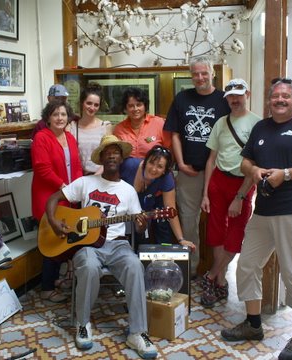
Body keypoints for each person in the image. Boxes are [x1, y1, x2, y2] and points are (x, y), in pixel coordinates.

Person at [220, 78, 292, 360]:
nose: (280, 100)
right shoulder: (261, 128)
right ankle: (253, 325)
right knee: (246, 266)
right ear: (268, 101)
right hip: (263, 211)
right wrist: (254, 171)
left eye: (286, 96)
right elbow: (245, 162)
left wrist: (286, 174)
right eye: (275, 96)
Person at [45, 135, 158, 358]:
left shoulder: (128, 191)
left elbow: (137, 229)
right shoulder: (86, 182)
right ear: (102, 158)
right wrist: (53, 221)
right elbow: (53, 199)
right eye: (108, 152)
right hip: (89, 246)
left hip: (118, 246)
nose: (112, 155)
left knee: (135, 266)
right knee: (88, 266)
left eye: (116, 151)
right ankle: (83, 324)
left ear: (122, 158)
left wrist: (141, 222)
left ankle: (137, 332)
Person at [163, 56, 230, 278]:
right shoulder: (182, 98)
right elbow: (174, 134)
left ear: (213, 73)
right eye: (195, 74)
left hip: (219, 172)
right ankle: (190, 272)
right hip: (189, 171)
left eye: (204, 73)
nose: (200, 77)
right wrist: (180, 164)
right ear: (190, 75)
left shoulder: (224, 100)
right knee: (189, 222)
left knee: (219, 223)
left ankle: (219, 274)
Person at [200, 78, 261, 308]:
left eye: (239, 94)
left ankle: (212, 275)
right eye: (231, 96)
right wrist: (205, 193)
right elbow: (211, 159)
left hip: (243, 185)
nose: (235, 100)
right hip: (218, 181)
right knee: (216, 232)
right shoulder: (221, 123)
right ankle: (221, 280)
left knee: (235, 236)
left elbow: (255, 164)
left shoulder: (257, 125)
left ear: (248, 94)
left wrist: (240, 196)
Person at [31, 100, 83, 303]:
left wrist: (77, 187)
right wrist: (63, 186)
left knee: (64, 238)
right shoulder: (41, 138)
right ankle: (46, 288)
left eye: (63, 114)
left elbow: (77, 165)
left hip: (68, 195)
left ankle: (56, 280)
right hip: (48, 196)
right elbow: (42, 168)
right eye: (55, 114)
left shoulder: (70, 137)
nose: (60, 118)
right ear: (48, 118)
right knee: (51, 241)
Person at [120, 145, 196, 250]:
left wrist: (181, 239)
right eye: (151, 162)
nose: (154, 169)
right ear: (145, 161)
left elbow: (171, 210)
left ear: (165, 171)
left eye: (160, 166)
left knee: (142, 241)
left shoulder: (166, 178)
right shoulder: (129, 165)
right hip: (116, 209)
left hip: (142, 212)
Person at [113, 87, 171, 158]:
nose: (135, 109)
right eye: (131, 106)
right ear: (125, 109)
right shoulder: (119, 129)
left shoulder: (159, 124)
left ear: (145, 106)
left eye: (139, 105)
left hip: (153, 168)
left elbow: (169, 151)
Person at [69, 82, 113, 175]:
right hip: (79, 177)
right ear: (82, 102)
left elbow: (110, 156)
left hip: (101, 176)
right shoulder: (71, 127)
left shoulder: (105, 126)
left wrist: (96, 176)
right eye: (89, 103)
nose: (92, 108)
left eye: (96, 105)